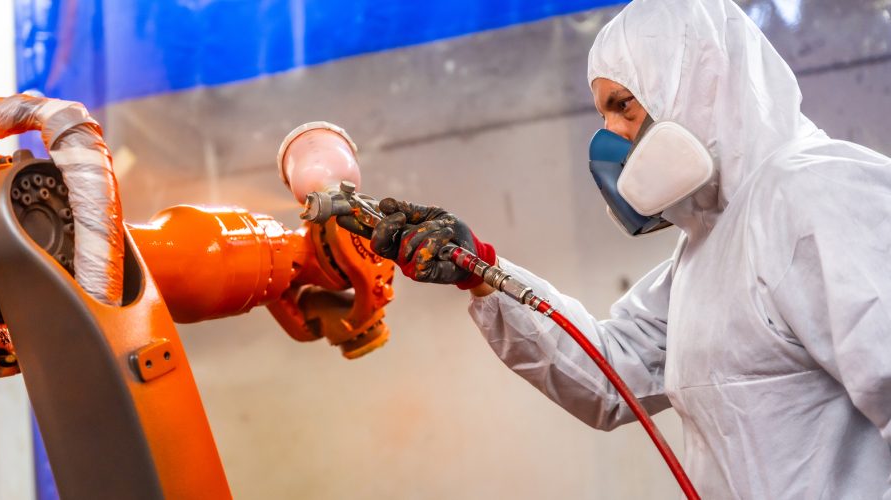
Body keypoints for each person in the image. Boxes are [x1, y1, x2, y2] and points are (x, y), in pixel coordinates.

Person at [357, 0, 891, 497]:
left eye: (623, 106)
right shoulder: (707, 248)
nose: (611, 137)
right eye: (603, 115)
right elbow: (609, 375)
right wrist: (480, 270)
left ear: (697, 84)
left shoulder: (816, 192)